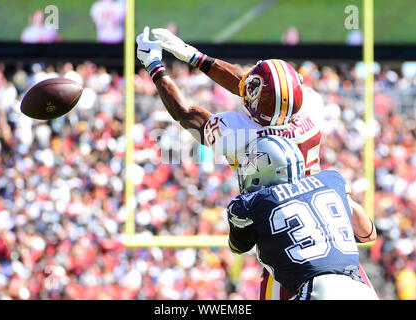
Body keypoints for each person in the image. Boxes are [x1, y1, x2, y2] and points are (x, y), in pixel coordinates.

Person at [136, 26, 375, 299]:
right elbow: (250, 87)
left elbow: (187, 113)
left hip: (287, 256)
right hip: (336, 246)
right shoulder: (310, 108)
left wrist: (155, 66)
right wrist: (192, 56)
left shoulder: (241, 134)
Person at [227, 135, 378, 300]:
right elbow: (368, 234)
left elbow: (238, 247)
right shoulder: (331, 180)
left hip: (318, 291)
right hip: (361, 290)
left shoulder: (250, 204)